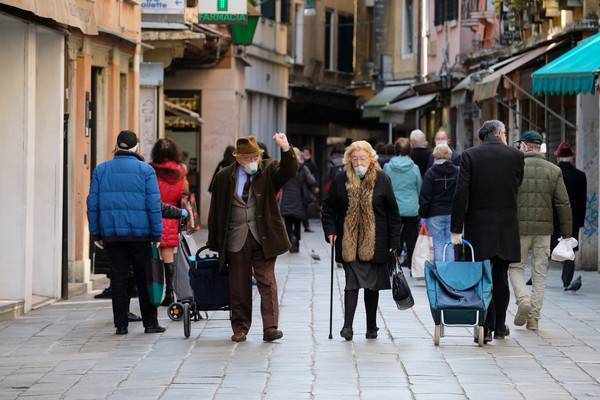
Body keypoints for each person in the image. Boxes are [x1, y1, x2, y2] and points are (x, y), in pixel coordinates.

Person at [207, 134, 298, 342]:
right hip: (235, 238)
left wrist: (286, 148)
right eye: (247, 158)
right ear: (238, 159)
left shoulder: (269, 169)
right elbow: (216, 210)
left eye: (255, 157)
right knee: (238, 285)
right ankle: (240, 327)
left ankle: (270, 327)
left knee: (267, 281)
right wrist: (214, 240)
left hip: (263, 235)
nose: (252, 162)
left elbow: (289, 171)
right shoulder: (223, 176)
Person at [450, 120, 524, 343]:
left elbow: (461, 193)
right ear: (501, 133)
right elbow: (516, 186)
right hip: (507, 224)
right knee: (501, 276)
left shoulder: (471, 155)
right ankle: (500, 325)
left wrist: (456, 229)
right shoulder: (517, 156)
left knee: (483, 276)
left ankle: (486, 326)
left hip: (479, 225)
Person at [87, 130, 165, 335]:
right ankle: (150, 323)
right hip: (141, 234)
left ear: (117, 146)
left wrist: (96, 233)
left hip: (112, 233)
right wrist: (157, 234)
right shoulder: (146, 171)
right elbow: (153, 205)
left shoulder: (101, 170)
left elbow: (92, 204)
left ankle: (121, 324)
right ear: (136, 147)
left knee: (119, 279)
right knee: (144, 277)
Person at [322, 140, 401, 340]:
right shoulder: (341, 179)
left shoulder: (382, 179)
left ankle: (371, 326)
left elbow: (393, 213)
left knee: (372, 285)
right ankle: (347, 326)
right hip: (349, 242)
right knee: (352, 282)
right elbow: (329, 208)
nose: (359, 162)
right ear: (349, 159)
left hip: (376, 242)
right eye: (355, 158)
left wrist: (394, 242)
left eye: (362, 158)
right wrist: (330, 230)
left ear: (371, 159)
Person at [508, 130, 572, 332]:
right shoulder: (553, 170)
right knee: (540, 272)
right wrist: (567, 235)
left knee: (516, 267)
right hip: (544, 230)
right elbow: (563, 204)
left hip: (518, 228)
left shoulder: (513, 168)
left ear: (525, 146)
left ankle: (523, 300)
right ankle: (534, 318)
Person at [149, 138, 188, 306]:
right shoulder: (181, 173)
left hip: (154, 217)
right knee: (168, 257)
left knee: (152, 258)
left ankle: (154, 293)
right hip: (173, 217)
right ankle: (170, 294)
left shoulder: (151, 171)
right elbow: (184, 195)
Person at [551, 142, 587, 288]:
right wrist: (580, 221)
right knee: (569, 248)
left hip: (554, 217)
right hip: (573, 219)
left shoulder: (553, 173)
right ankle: (567, 279)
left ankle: (535, 277)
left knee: (547, 247)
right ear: (571, 157)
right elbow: (582, 201)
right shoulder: (580, 176)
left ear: (558, 158)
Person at [384, 138, 422, 268]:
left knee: (392, 237)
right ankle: (412, 266)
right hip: (411, 208)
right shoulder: (414, 168)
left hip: (393, 208)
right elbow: (419, 187)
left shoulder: (388, 167)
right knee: (412, 240)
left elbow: (383, 187)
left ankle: (390, 267)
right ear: (410, 150)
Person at [419, 144, 459, 262]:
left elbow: (425, 197)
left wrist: (423, 215)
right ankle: (449, 276)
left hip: (435, 213)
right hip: (452, 212)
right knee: (450, 244)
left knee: (437, 245)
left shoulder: (430, 173)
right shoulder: (457, 171)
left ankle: (440, 274)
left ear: (435, 156)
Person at [279, 147, 317, 253]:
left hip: (286, 199)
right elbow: (312, 181)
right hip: (299, 200)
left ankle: (291, 238)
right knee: (297, 222)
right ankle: (297, 243)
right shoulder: (303, 168)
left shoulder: (284, 168)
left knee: (288, 222)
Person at [301, 145, 319, 232]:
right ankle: (305, 225)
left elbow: (316, 175)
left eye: (307, 153)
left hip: (308, 187)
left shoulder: (312, 163)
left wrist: (316, 186)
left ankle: (306, 225)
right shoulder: (300, 163)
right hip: (300, 187)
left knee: (306, 206)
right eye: (304, 153)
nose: (306, 154)